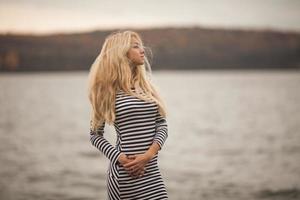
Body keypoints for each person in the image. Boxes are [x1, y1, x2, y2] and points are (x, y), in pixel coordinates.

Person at [87, 30, 169, 200]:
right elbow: (95, 135)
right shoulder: (106, 91)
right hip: (126, 175)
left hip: (152, 172)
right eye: (136, 46)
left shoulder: (147, 88)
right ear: (122, 53)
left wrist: (148, 156)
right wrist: (120, 158)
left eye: (141, 46)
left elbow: (162, 125)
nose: (143, 50)